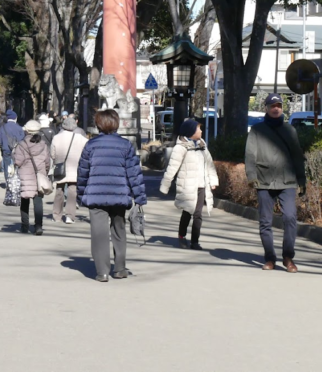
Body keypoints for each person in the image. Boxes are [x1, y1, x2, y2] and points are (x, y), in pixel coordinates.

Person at [77, 109, 148, 282]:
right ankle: (120, 268)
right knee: (119, 231)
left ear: (98, 125)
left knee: (98, 233)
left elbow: (82, 172)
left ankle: (102, 271)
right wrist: (139, 196)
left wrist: (80, 194)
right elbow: (134, 173)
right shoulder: (125, 145)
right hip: (119, 194)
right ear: (116, 124)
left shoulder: (91, 145)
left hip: (96, 196)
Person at [245, 93, 307, 272]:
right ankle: (270, 258)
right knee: (265, 221)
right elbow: (250, 155)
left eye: (279, 105)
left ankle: (288, 257)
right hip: (264, 181)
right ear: (266, 108)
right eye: (272, 105)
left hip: (287, 180)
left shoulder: (290, 130)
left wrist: (302, 180)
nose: (276, 108)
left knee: (290, 217)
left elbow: (297, 155)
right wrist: (251, 176)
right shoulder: (257, 130)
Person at [159, 119, 219, 249]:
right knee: (187, 212)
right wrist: (165, 185)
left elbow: (210, 166)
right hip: (187, 186)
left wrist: (213, 181)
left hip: (201, 185)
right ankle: (182, 237)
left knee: (198, 214)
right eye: (199, 129)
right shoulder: (180, 148)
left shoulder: (203, 146)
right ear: (190, 131)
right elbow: (172, 168)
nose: (201, 131)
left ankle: (195, 241)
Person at [13, 120, 51, 235]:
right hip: (39, 175)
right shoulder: (43, 145)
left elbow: (18, 162)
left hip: (25, 175)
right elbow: (47, 162)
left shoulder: (22, 144)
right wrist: (45, 172)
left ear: (27, 131)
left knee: (24, 200)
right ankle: (38, 226)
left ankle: (25, 226)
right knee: (38, 201)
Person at [50, 115, 88, 223]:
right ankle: (70, 216)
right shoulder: (82, 139)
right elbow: (86, 154)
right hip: (75, 168)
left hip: (60, 168)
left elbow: (52, 154)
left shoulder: (57, 137)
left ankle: (56, 215)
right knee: (72, 191)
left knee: (59, 191)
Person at [0, 110, 24, 185]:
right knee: (17, 164)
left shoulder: (2, 128)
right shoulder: (19, 128)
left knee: (7, 165)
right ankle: (16, 180)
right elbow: (22, 139)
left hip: (6, 149)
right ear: (15, 118)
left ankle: (8, 181)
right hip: (17, 149)